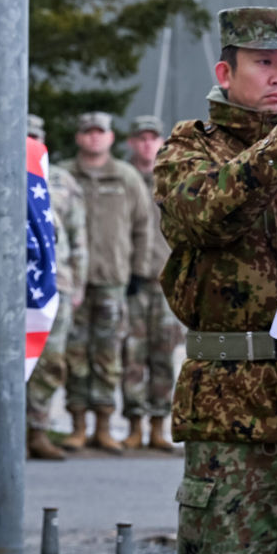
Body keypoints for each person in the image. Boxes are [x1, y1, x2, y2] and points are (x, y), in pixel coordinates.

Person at [154, 7, 277, 554]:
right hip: (231, 402)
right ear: (226, 73)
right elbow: (199, 215)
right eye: (264, 63)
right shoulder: (190, 147)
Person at [59, 111, 153, 454]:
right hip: (74, 283)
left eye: (101, 132)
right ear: (79, 138)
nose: (94, 138)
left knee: (110, 355)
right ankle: (77, 425)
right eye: (88, 132)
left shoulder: (126, 177)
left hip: (115, 281)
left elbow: (144, 227)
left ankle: (103, 426)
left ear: (111, 138)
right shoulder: (65, 176)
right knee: (75, 354)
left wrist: (139, 272)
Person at [25, 113, 89, 461]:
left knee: (50, 362)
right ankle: (2, 432)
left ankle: (37, 430)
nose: (29, 141)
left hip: (57, 284)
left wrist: (78, 283)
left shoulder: (62, 180)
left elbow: (79, 237)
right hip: (9, 286)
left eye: (35, 135)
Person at [120, 114, 184, 451]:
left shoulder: (172, 176)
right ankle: (133, 425)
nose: (147, 144)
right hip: (132, 279)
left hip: (164, 281)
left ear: (161, 143)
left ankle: (159, 425)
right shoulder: (122, 178)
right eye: (141, 138)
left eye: (152, 138)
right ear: (132, 142)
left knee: (163, 354)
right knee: (131, 355)